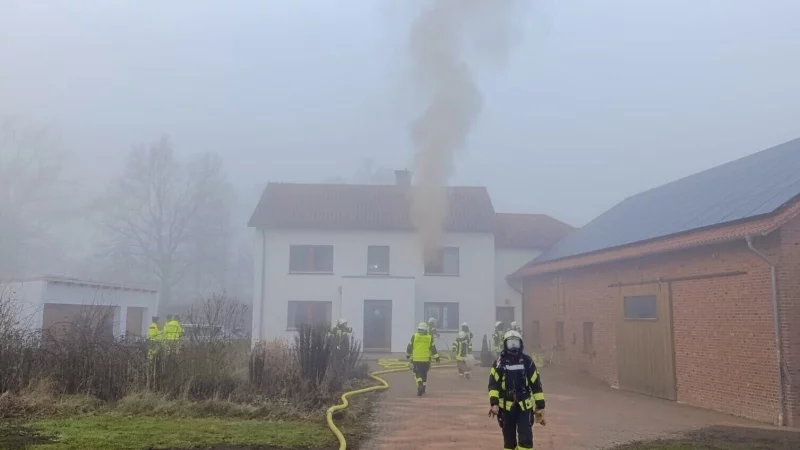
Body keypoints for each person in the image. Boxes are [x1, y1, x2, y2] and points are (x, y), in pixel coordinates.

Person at [488, 330, 546, 450]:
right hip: (506, 408)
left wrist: (540, 405)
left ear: (521, 344)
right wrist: (494, 404)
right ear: (505, 344)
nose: (514, 346)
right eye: (511, 343)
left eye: (516, 343)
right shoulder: (499, 363)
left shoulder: (527, 361)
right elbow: (493, 385)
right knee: (509, 442)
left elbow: (536, 385)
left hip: (524, 407)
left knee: (526, 440)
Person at [406, 322, 440, 396]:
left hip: (416, 359)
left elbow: (410, 346)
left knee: (417, 373)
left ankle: (419, 383)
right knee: (424, 373)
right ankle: (423, 388)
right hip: (426, 360)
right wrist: (437, 357)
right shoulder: (429, 337)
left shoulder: (414, 336)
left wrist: (408, 355)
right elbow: (433, 348)